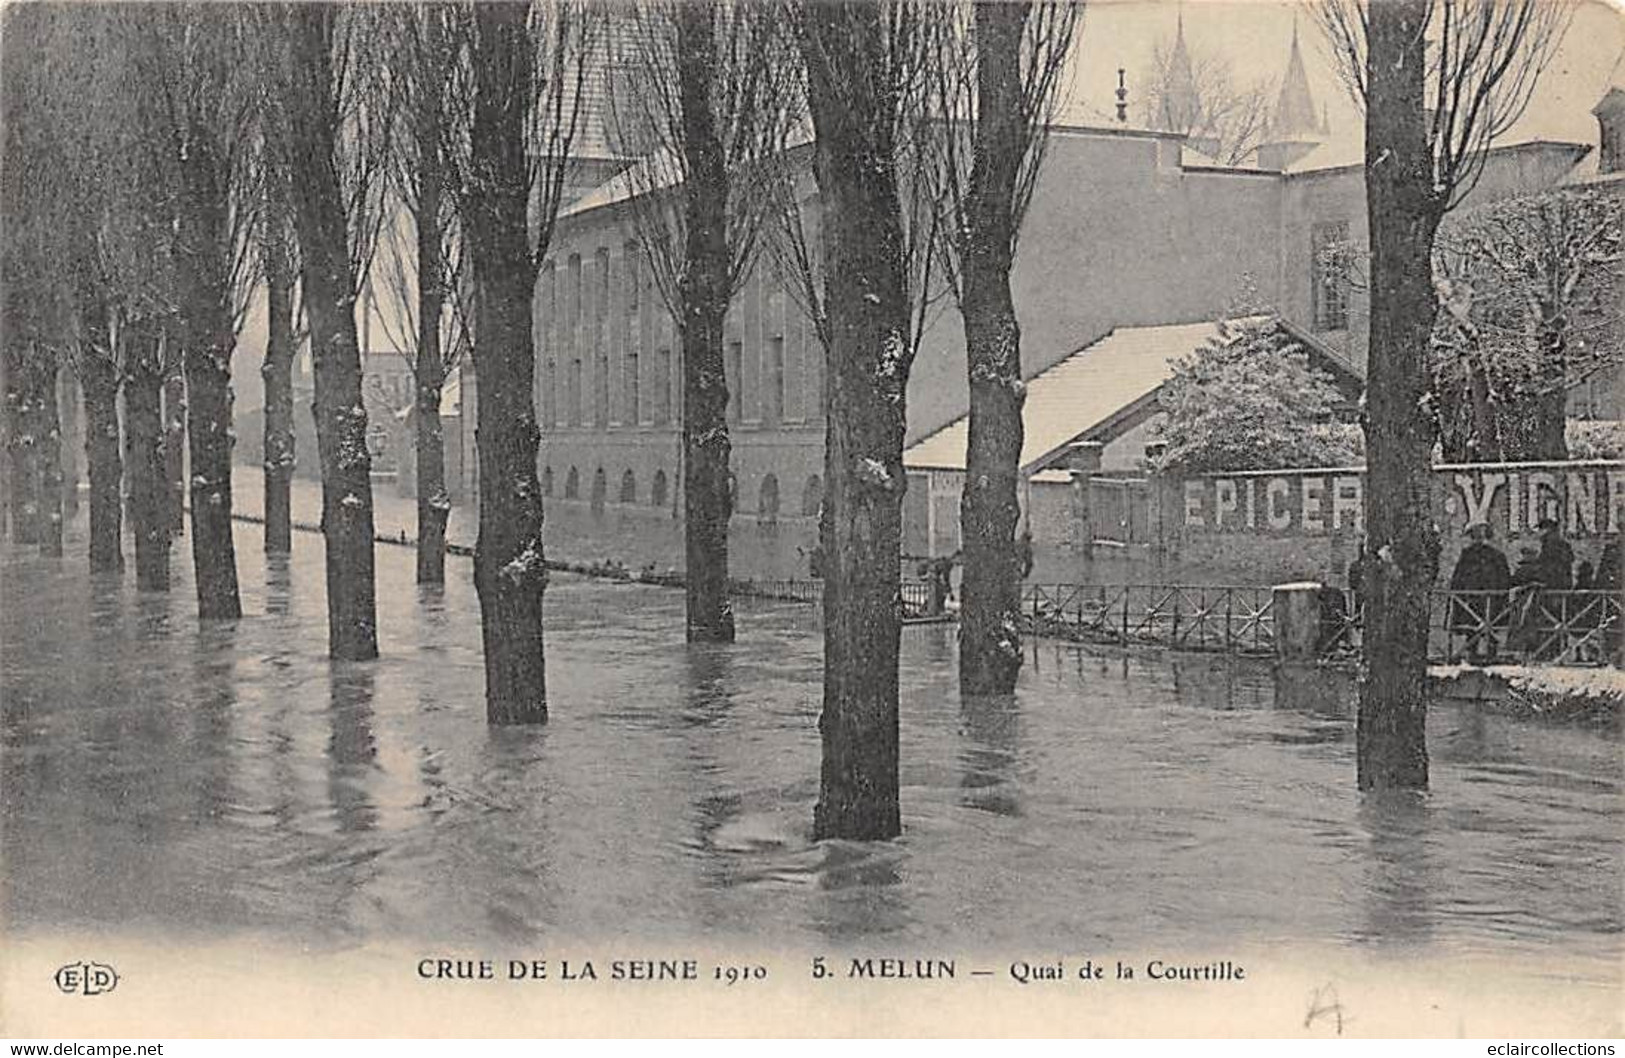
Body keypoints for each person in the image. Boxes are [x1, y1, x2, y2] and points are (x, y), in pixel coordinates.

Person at [1448, 522, 1511, 663]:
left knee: (1474, 625)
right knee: (1489, 624)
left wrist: (1457, 593)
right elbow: (1505, 579)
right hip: (1490, 598)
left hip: (1474, 598)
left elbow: (1458, 577)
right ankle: (1489, 653)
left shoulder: (1468, 554)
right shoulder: (1497, 555)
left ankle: (1474, 653)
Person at [1534, 517, 1574, 590]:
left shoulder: (1550, 543)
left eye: (1541, 529)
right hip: (1564, 582)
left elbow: (1548, 563)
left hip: (1553, 583)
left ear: (1547, 529)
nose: (1538, 532)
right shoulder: (1563, 542)